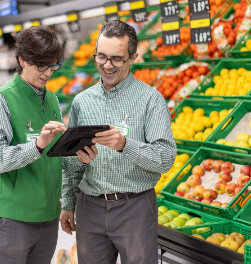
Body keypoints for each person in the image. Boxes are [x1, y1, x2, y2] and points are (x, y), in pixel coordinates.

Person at [60, 20, 177, 264]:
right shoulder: (82, 101)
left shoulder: (150, 100)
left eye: (116, 59)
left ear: (133, 57)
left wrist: (125, 145)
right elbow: (70, 164)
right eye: (101, 57)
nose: (107, 66)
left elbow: (165, 158)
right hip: (89, 206)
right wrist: (68, 201)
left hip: (134, 207)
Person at [0, 26, 74, 264]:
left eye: (53, 65)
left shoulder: (51, 98)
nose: (47, 73)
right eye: (41, 65)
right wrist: (36, 146)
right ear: (22, 60)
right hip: (11, 219)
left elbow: (54, 156)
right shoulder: (2, 99)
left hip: (48, 216)